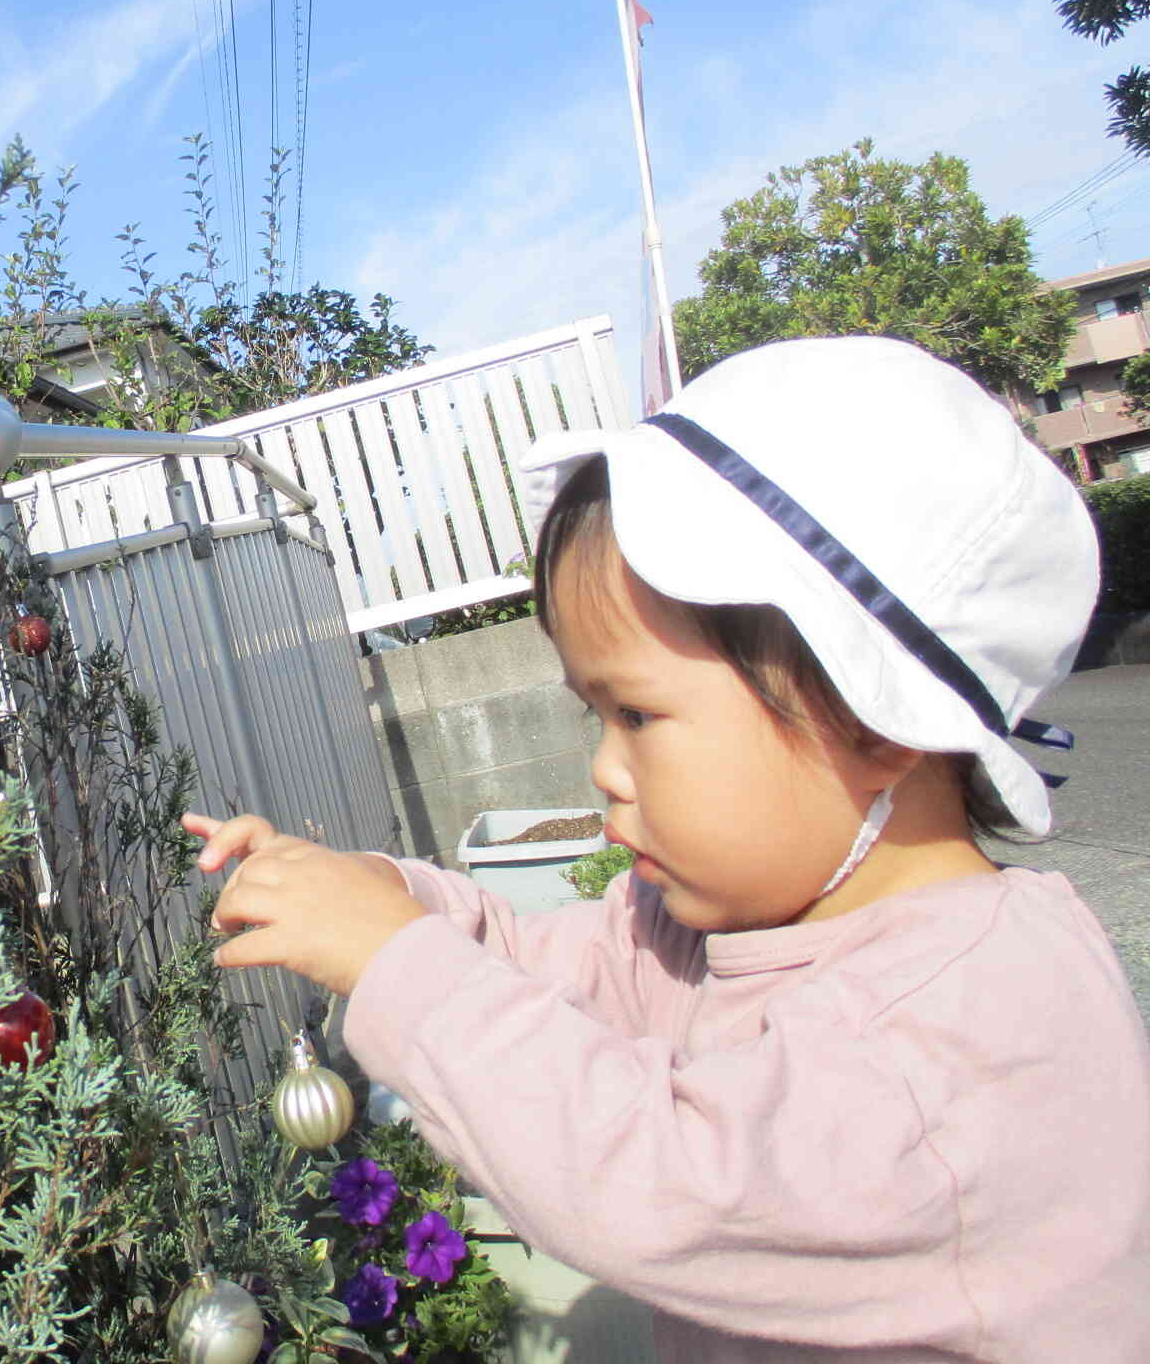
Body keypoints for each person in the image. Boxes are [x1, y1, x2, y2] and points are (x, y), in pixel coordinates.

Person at [187, 336, 1150, 1362]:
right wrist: (377, 897)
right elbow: (536, 968)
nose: (602, 767)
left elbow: (661, 1188)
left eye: (637, 716)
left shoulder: (974, 1019)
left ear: (874, 723)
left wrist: (392, 961)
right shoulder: (733, 924)